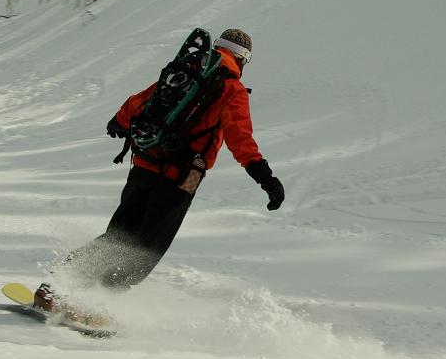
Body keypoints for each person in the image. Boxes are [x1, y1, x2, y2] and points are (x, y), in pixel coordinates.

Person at [34, 29, 283, 311]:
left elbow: (143, 98)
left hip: (144, 161)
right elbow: (241, 140)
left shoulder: (189, 68)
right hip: (181, 177)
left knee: (119, 235)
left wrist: (119, 120)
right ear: (242, 60)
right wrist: (266, 179)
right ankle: (94, 303)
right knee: (147, 248)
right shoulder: (232, 89)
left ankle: (57, 286)